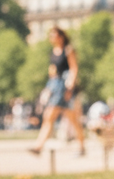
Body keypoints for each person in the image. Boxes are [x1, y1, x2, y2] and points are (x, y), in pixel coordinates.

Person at [29, 26, 86, 157]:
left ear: (61, 36)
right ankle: (39, 146)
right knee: (67, 119)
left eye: (54, 35)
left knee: (55, 117)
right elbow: (52, 71)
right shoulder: (53, 52)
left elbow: (74, 69)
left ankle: (39, 146)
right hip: (55, 86)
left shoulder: (68, 50)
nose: (51, 38)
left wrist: (70, 88)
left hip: (64, 88)